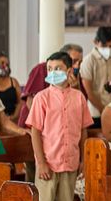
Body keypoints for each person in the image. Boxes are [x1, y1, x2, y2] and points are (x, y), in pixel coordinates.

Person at [26, 51, 93, 201]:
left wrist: (83, 158)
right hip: (48, 161)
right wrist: (41, 162)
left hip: (71, 159)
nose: (53, 72)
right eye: (50, 69)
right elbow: (35, 132)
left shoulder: (79, 97)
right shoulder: (41, 98)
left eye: (58, 68)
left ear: (69, 69)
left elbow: (83, 131)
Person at [18, 44, 85, 183]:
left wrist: (74, 88)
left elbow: (80, 112)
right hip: (36, 129)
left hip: (65, 150)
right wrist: (48, 123)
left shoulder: (75, 77)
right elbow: (29, 100)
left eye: (80, 61)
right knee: (37, 179)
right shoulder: (41, 70)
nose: (77, 65)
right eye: (74, 60)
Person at [80, 26, 111, 128]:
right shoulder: (89, 60)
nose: (108, 49)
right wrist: (103, 109)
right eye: (104, 45)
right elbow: (88, 92)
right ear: (96, 42)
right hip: (95, 113)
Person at [0, 52, 22, 123]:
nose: (5, 66)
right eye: (2, 63)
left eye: (7, 64)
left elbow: (20, 102)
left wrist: (14, 117)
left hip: (12, 121)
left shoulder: (14, 82)